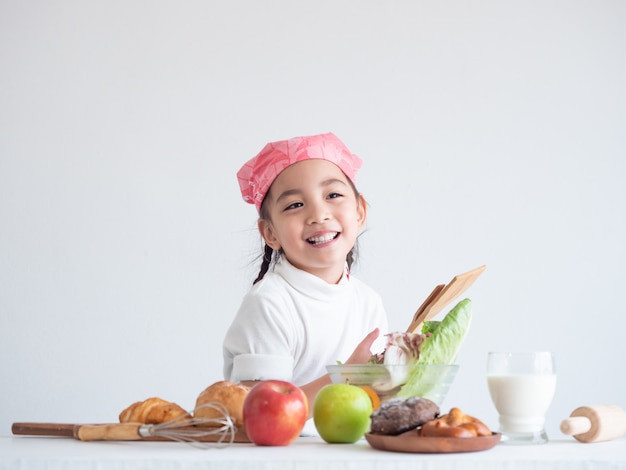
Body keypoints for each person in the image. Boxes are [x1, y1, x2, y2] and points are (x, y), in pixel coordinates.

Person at [222, 132, 389, 412]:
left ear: (359, 212)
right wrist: (347, 375)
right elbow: (260, 410)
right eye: (295, 205)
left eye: (333, 195)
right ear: (270, 233)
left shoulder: (368, 303)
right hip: (279, 454)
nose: (318, 214)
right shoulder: (269, 303)